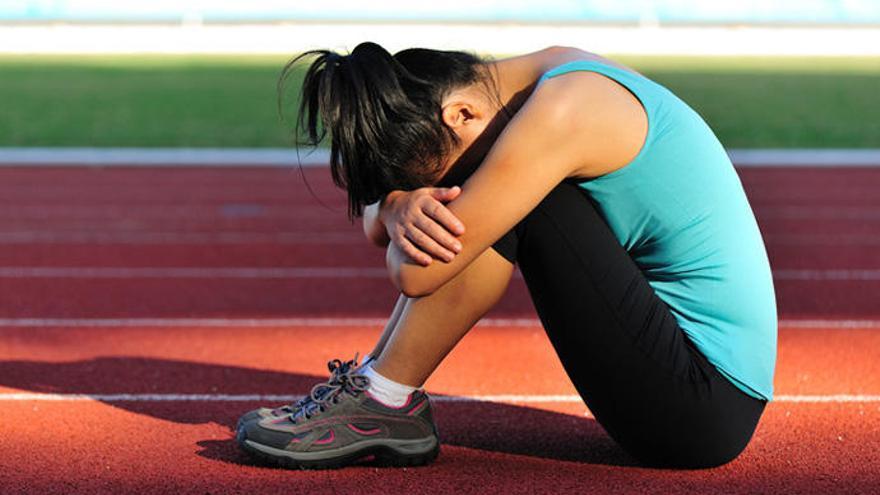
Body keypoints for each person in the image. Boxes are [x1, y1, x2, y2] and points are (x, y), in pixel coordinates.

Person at [235, 42, 777, 470]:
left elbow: (416, 275)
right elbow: (381, 225)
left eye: (441, 185)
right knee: (510, 191)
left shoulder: (567, 112)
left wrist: (404, 221)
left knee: (523, 202)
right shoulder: (550, 74)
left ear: (460, 112)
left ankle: (383, 399)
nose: (444, 197)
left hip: (700, 407)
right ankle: (382, 389)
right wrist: (399, 203)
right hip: (690, 385)